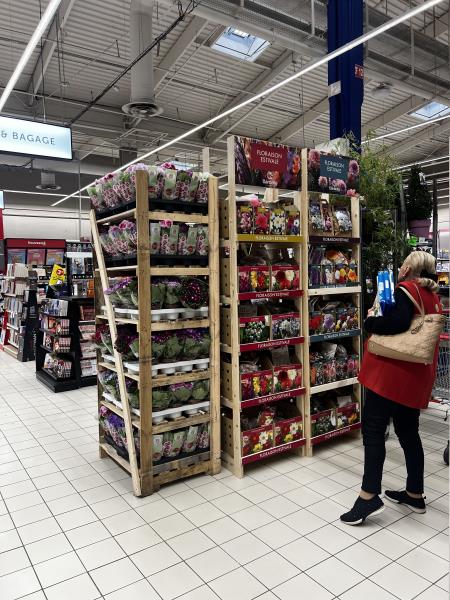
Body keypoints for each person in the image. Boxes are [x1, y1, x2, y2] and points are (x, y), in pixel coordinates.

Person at [340, 251, 442, 525]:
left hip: (391, 374)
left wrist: (370, 322)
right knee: (408, 432)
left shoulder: (406, 289)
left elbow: (397, 323)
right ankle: (414, 493)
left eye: (402, 265)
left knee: (373, 430)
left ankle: (368, 496)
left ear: (407, 268)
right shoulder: (432, 296)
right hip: (414, 375)